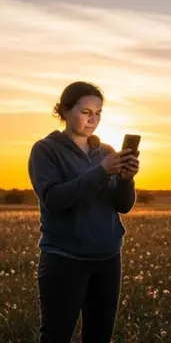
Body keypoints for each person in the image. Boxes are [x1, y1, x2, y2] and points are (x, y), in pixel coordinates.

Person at [27, 81, 140, 343]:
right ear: (65, 111)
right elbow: (54, 199)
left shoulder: (106, 152)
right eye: (86, 112)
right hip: (64, 259)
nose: (93, 119)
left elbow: (123, 206)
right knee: (56, 335)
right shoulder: (45, 150)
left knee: (99, 336)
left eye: (98, 113)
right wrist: (102, 172)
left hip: (108, 259)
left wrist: (126, 179)